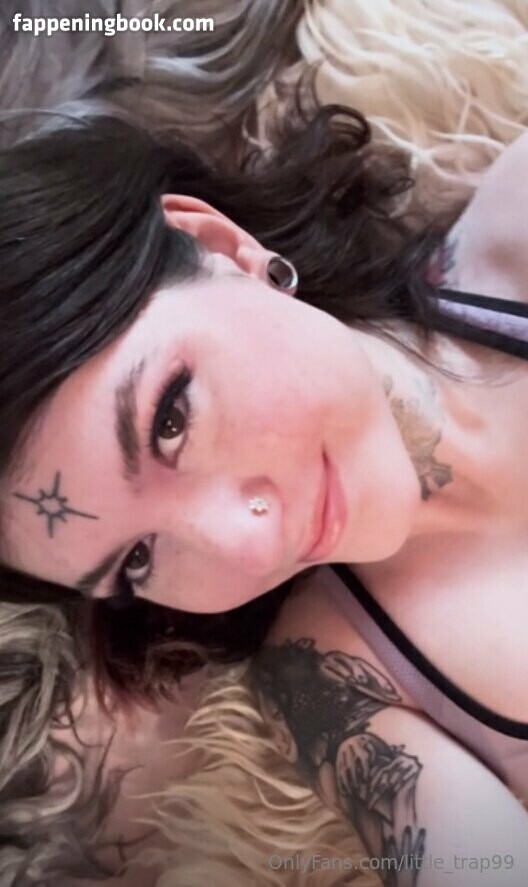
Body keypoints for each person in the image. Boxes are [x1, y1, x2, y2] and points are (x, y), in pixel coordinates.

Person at [1, 99, 528, 886]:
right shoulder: (330, 683)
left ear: (222, 247)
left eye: (171, 418)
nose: (247, 543)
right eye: (137, 559)